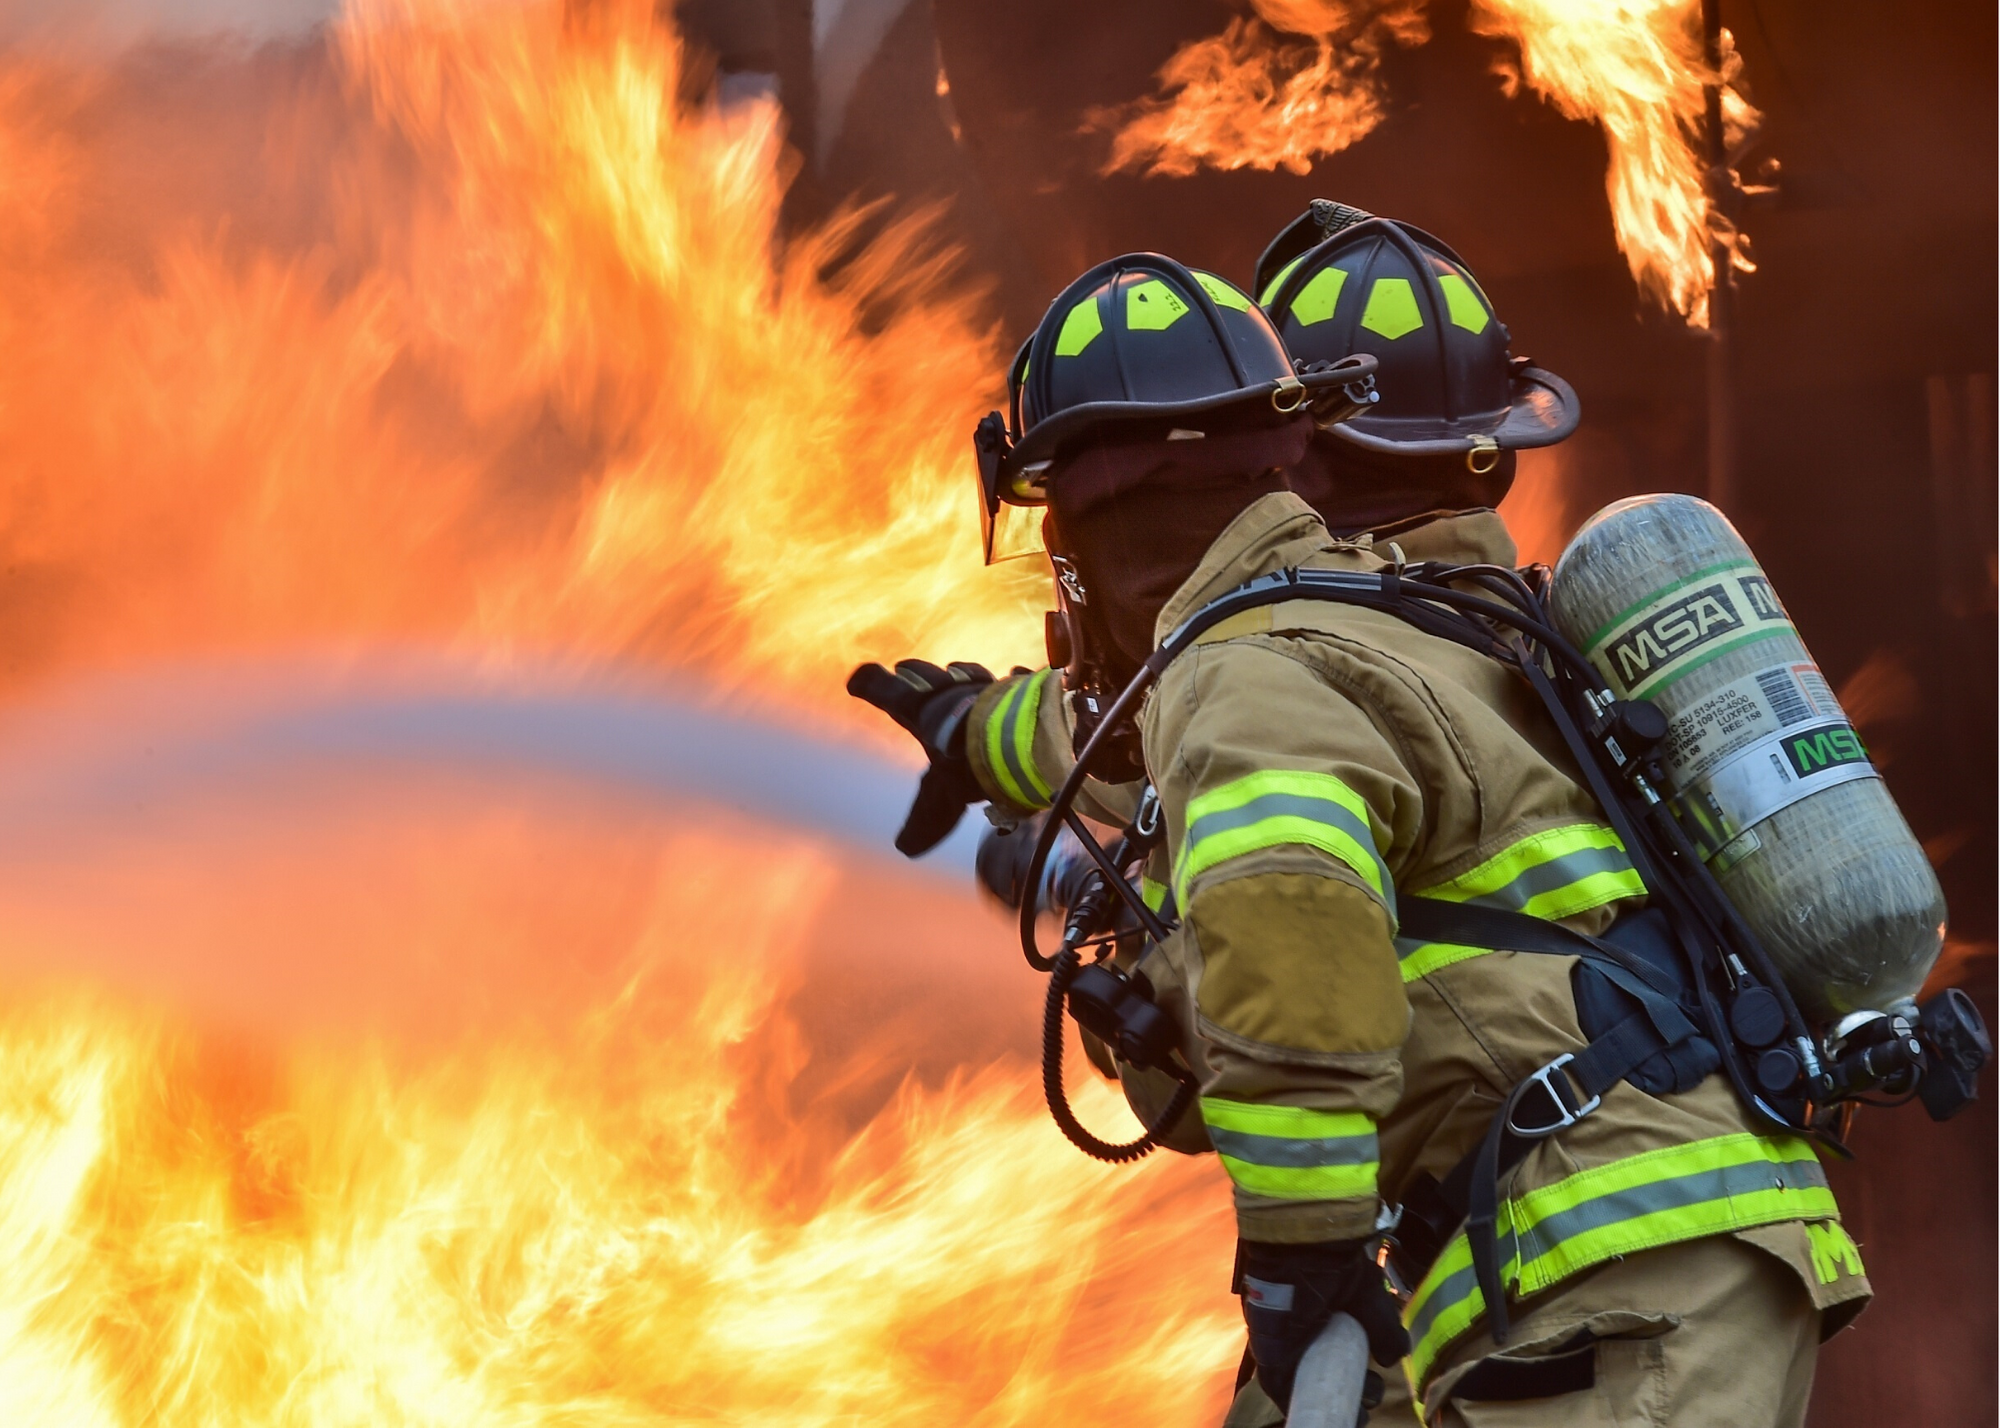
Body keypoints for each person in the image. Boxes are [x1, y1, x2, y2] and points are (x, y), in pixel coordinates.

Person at [853, 219, 1871, 1427]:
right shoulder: (1380, 626)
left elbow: (1287, 939)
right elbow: (1122, 733)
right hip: (1612, 1251)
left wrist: (1299, 1255)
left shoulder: (1252, 674)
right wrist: (980, 737)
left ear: (1084, 528)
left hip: (1607, 1264)